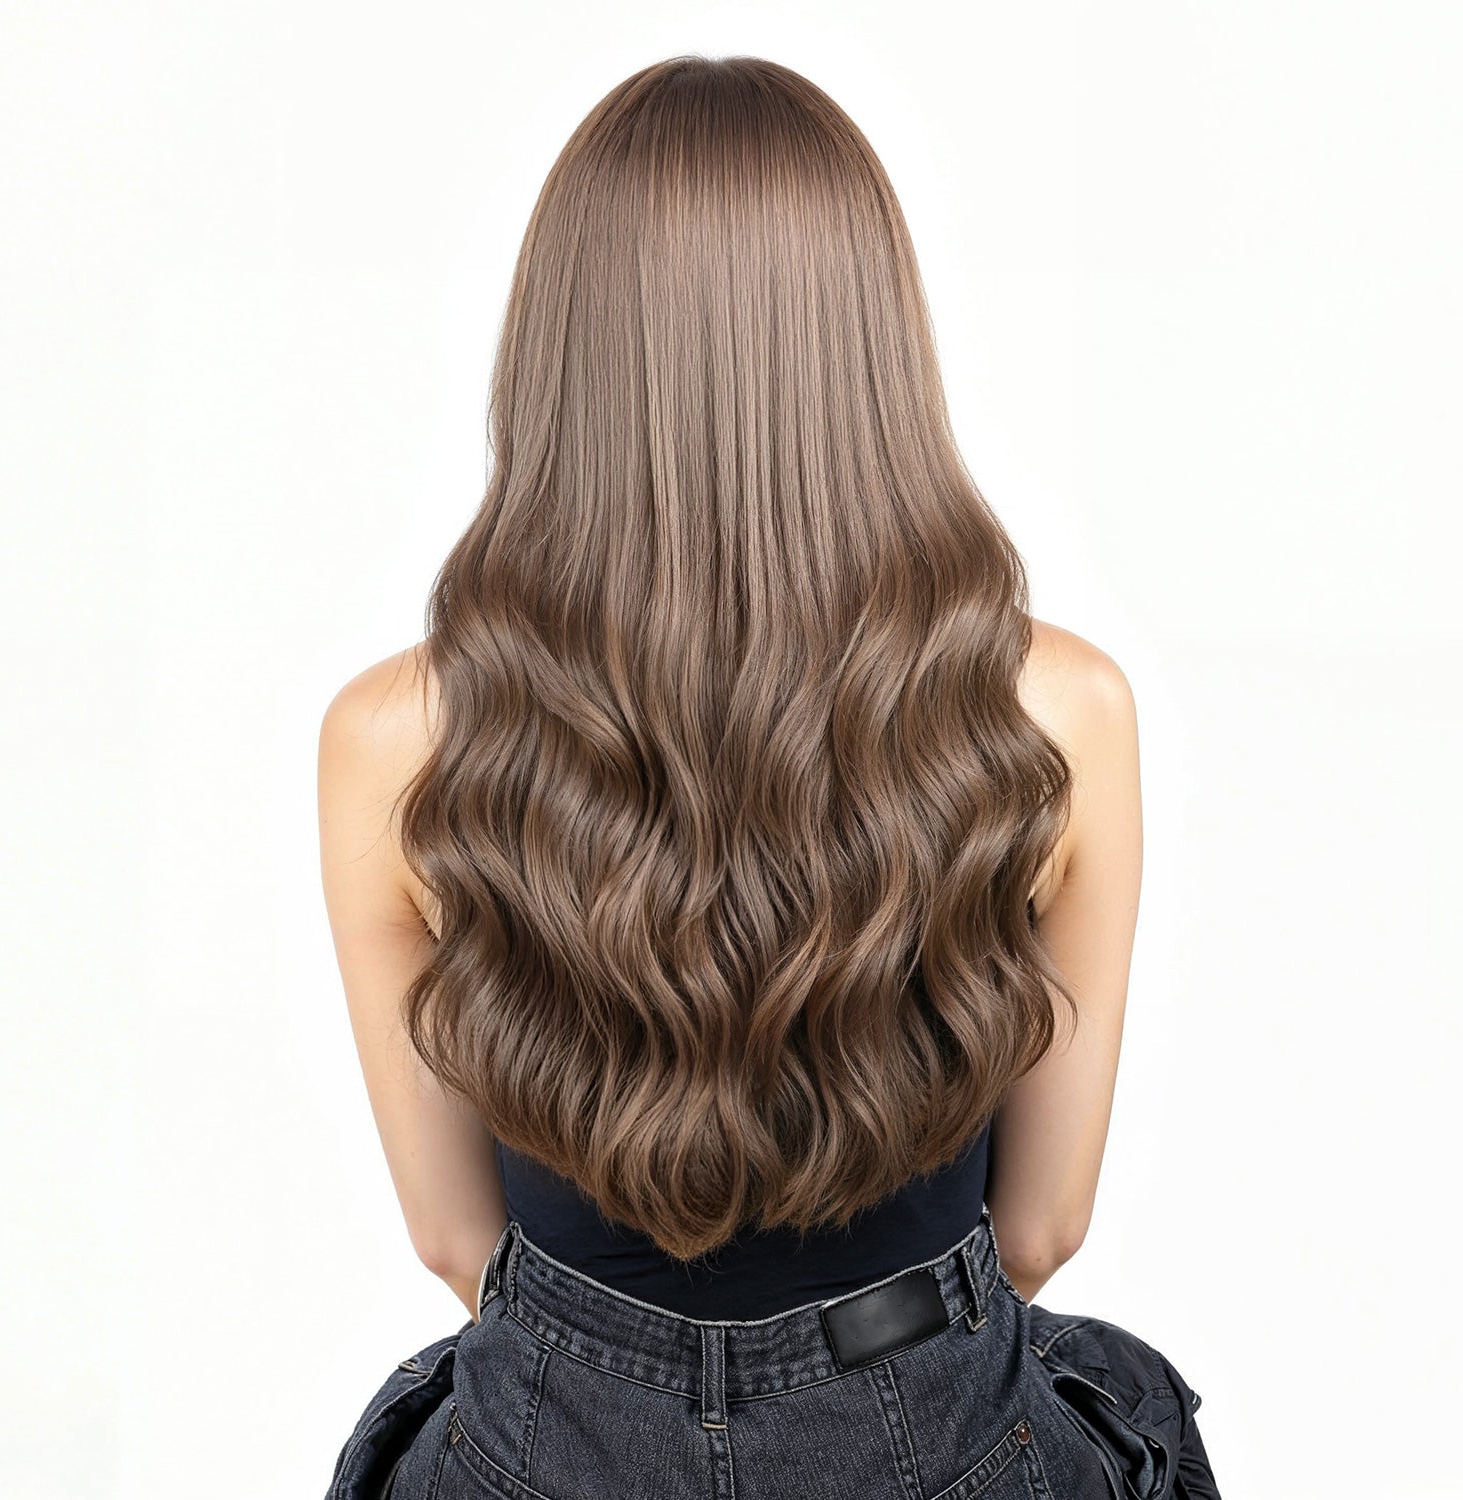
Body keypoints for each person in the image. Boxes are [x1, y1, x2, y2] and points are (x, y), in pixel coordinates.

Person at [317, 53, 1220, 1500]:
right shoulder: (1056, 712)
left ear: (563, 353)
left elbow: (455, 1244)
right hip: (938, 1427)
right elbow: (1042, 1229)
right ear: (868, 349)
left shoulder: (396, 738)